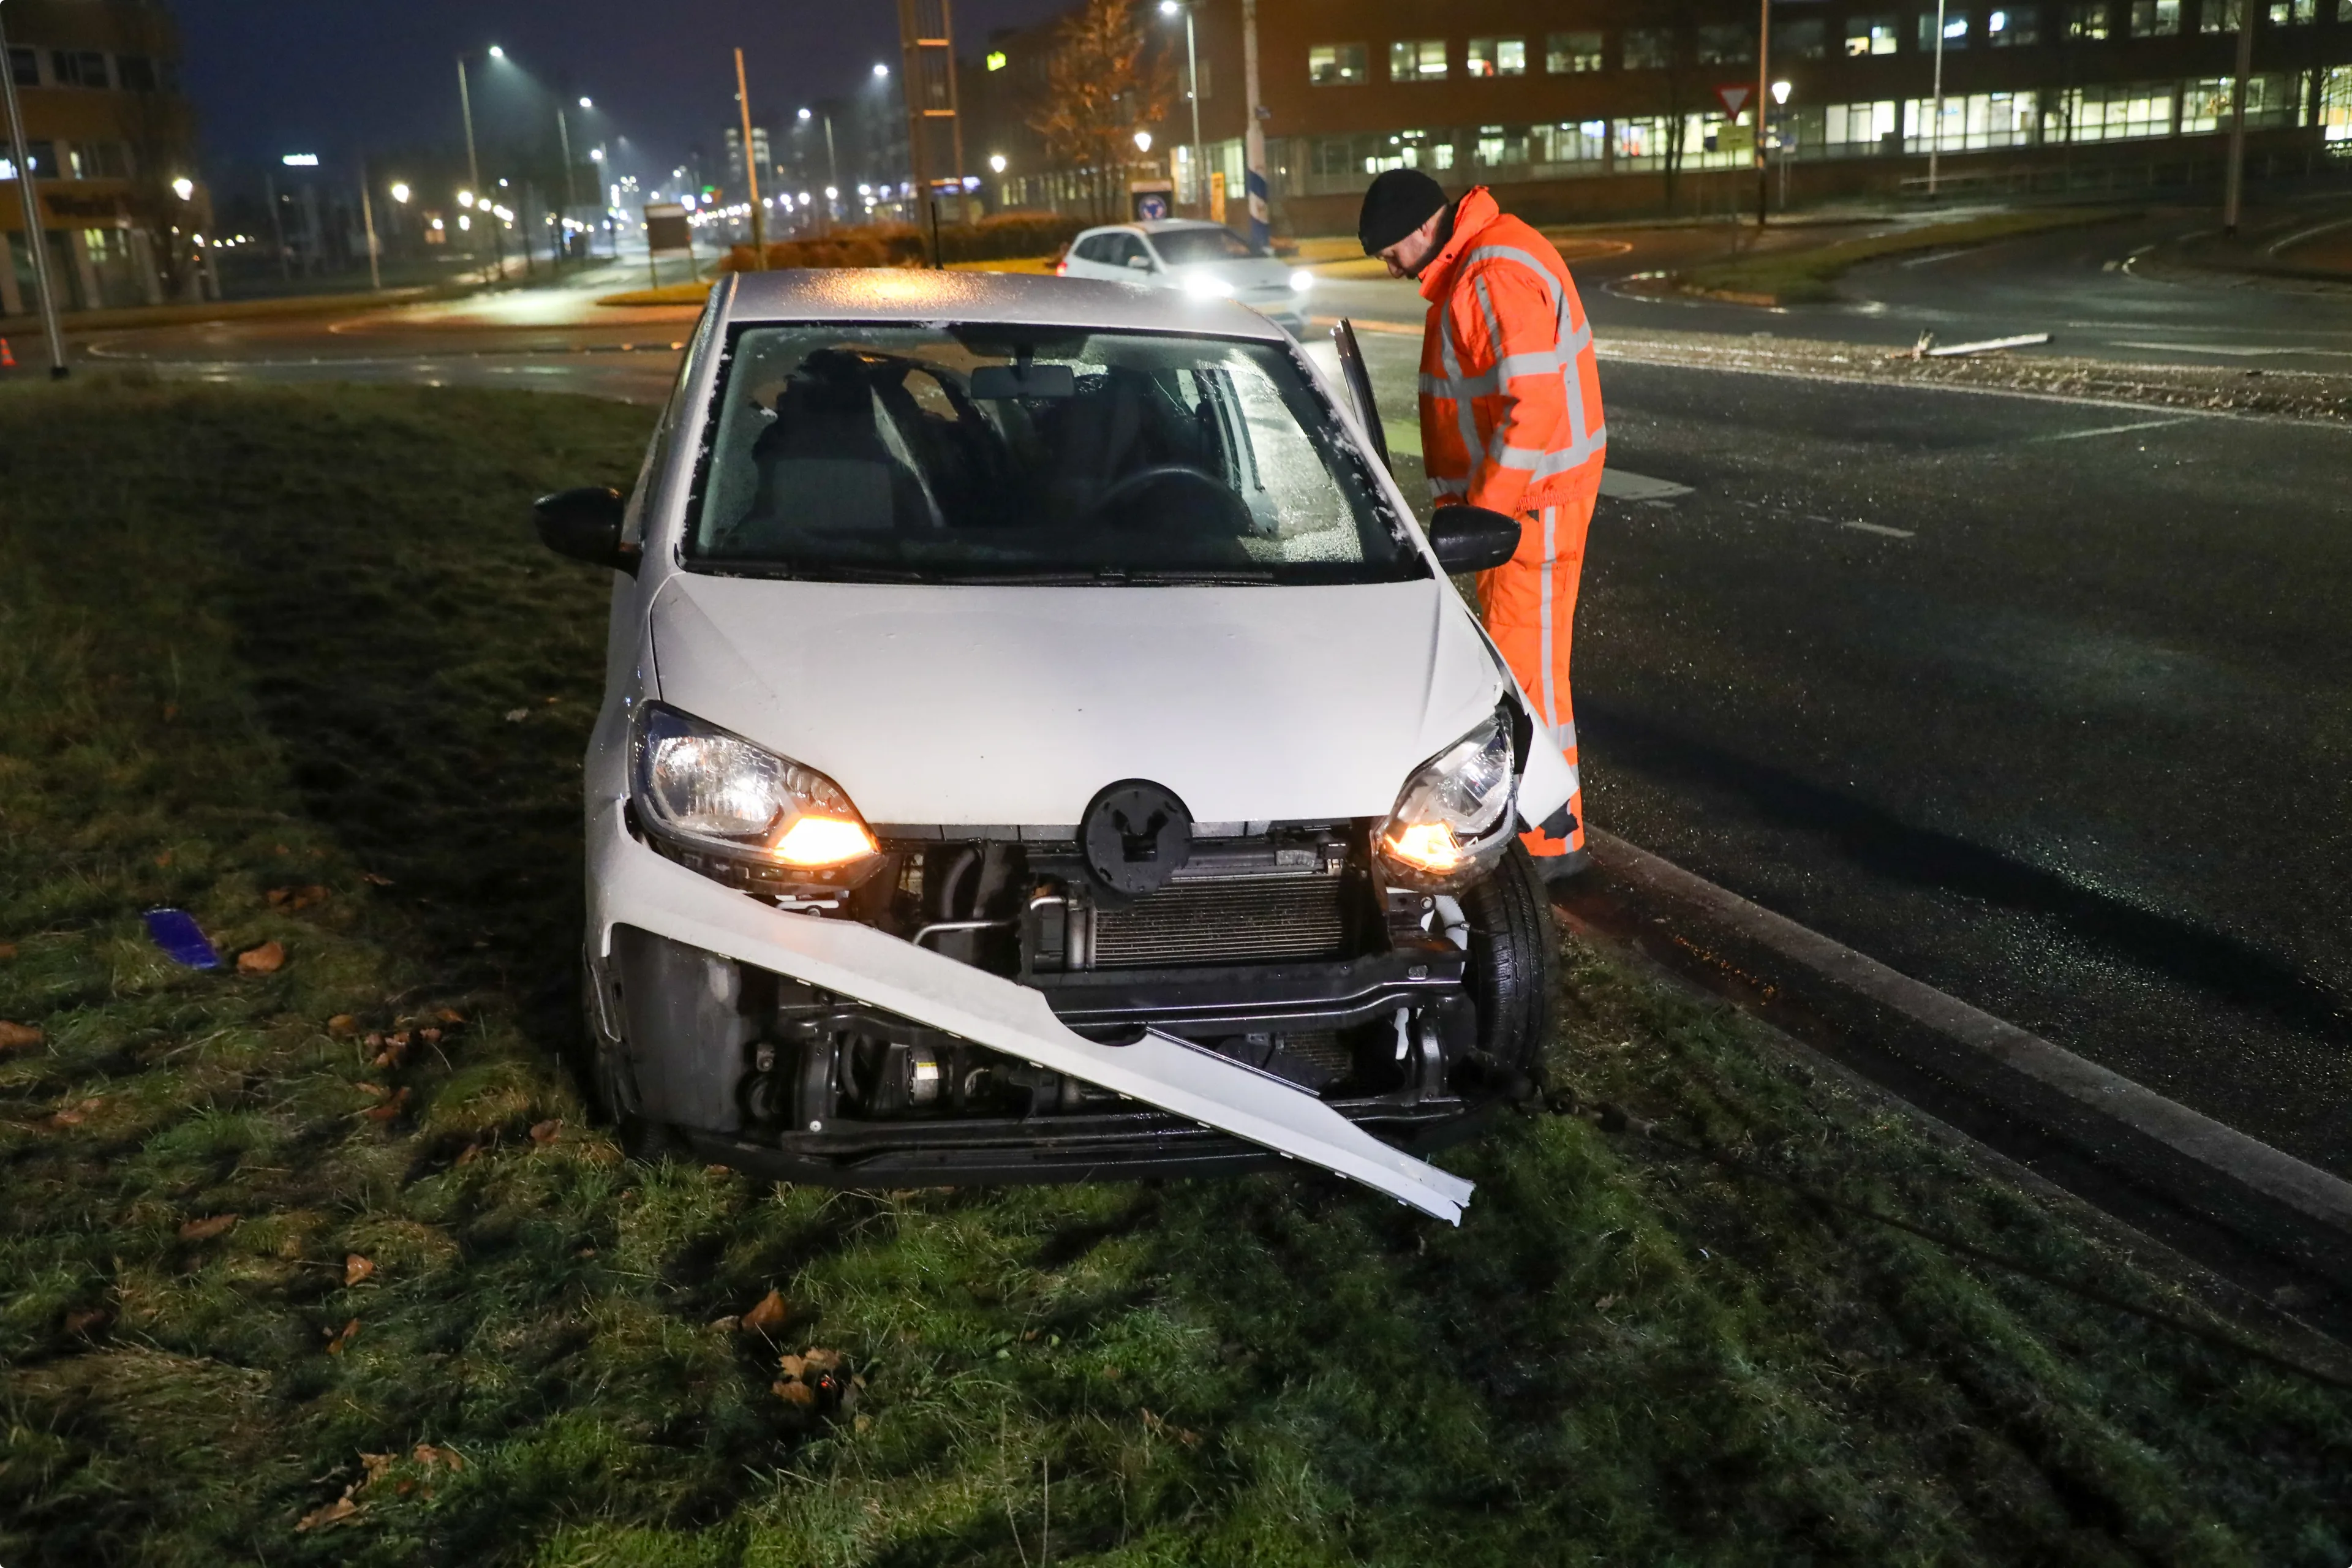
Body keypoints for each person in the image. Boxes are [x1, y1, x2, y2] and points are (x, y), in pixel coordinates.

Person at [1358, 168, 1605, 880]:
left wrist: (1490, 513)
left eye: (1387, 253)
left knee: (1529, 681)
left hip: (1535, 505)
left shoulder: (1489, 274)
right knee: (1524, 671)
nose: (1389, 266)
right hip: (1529, 500)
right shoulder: (1479, 262)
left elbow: (1532, 405)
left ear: (1418, 230)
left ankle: (1547, 849)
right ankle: (1538, 835)